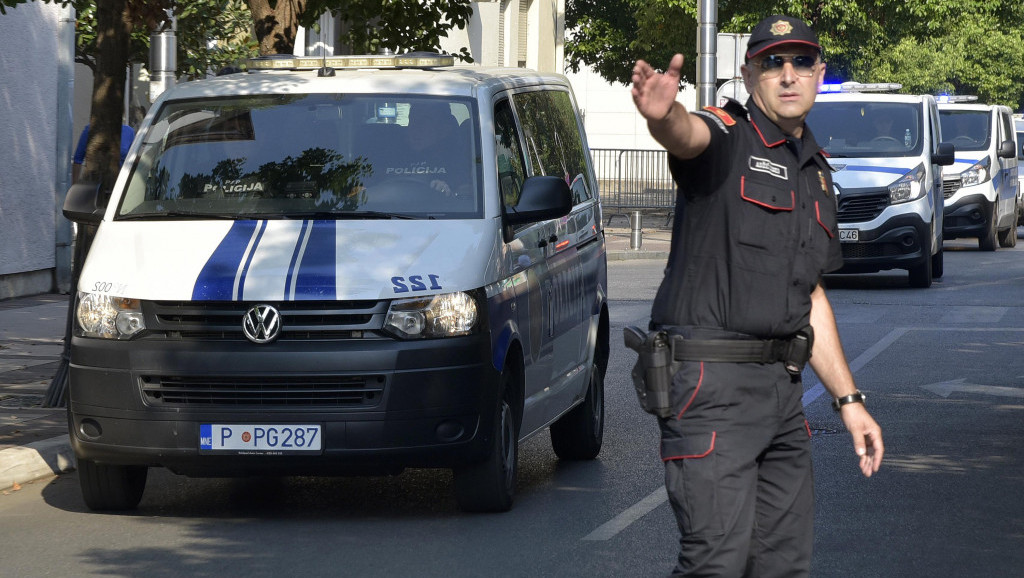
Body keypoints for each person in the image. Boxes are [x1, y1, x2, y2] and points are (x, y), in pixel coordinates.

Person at [630, 15, 884, 576]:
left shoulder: (816, 174)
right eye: (773, 62)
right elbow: (687, 135)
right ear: (749, 74)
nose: (787, 75)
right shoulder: (729, 136)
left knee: (783, 564)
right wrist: (664, 116)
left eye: (800, 62)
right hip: (711, 387)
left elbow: (809, 293)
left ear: (819, 73)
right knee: (715, 562)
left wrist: (849, 401)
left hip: (782, 395)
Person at [71, 121, 136, 183]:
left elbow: (131, 160)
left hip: (118, 183)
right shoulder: (90, 129)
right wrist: (74, 187)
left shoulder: (129, 132)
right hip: (94, 182)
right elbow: (77, 160)